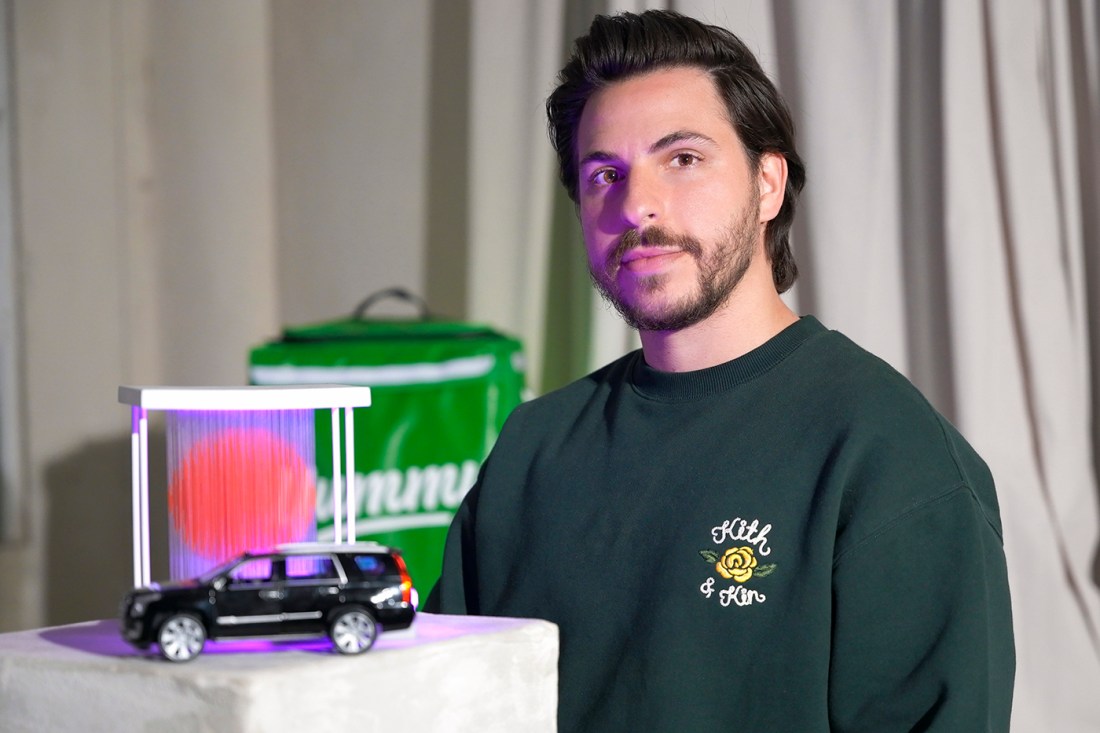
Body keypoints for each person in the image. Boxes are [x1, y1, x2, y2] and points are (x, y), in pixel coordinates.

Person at [425, 9, 1015, 732]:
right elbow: (442, 701)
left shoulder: (889, 454)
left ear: (768, 183)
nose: (636, 203)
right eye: (604, 172)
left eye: (682, 158)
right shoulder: (531, 451)